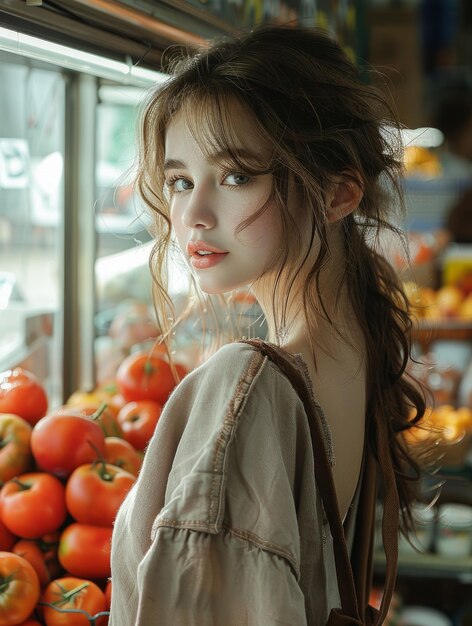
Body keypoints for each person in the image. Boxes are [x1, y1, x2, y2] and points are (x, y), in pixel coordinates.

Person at [109, 24, 426, 625]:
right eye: (180, 181)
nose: (193, 215)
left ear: (337, 195)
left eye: (235, 176)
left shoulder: (246, 385)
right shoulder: (355, 334)